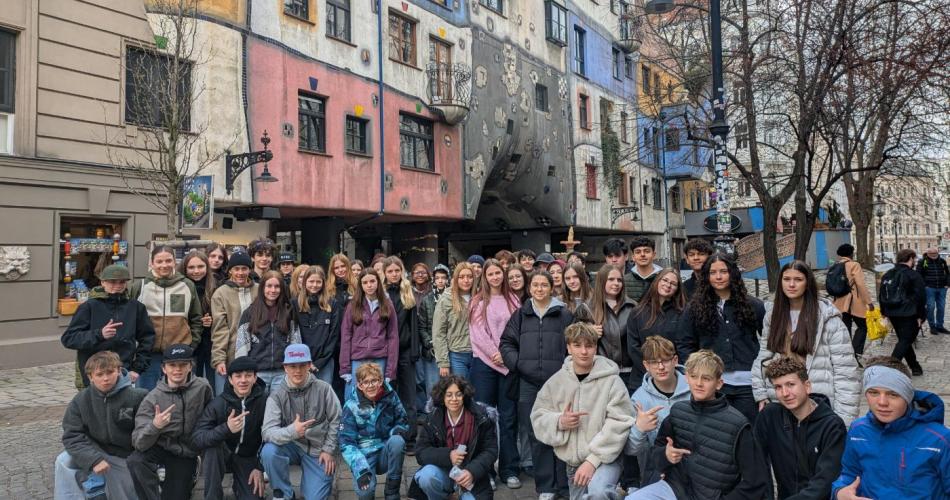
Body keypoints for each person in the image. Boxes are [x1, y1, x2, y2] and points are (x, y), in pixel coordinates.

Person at [627, 350, 766, 500]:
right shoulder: (677, 412)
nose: (698, 383)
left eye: (706, 378)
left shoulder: (738, 424)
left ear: (719, 383)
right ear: (686, 378)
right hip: (675, 489)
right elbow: (657, 453)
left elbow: (755, 482)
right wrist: (665, 455)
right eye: (693, 377)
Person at [531, 323, 635, 500]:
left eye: (589, 345)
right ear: (568, 348)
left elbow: (620, 422)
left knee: (598, 492)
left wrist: (592, 461)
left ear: (596, 347)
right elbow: (538, 415)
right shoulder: (556, 381)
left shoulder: (612, 381)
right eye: (577, 345)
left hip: (605, 459)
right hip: (572, 463)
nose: (584, 351)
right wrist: (559, 421)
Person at [752, 260, 860, 424]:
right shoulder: (773, 316)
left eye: (798, 279)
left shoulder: (828, 319)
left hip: (817, 402)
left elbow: (845, 372)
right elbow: (764, 357)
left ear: (807, 283)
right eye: (787, 279)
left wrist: (844, 420)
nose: (792, 284)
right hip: (781, 400)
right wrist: (761, 393)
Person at [831, 356, 950, 500]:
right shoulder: (858, 430)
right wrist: (839, 492)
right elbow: (848, 474)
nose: (882, 402)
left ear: (907, 396)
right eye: (874, 392)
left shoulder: (940, 440)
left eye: (893, 394)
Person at [500, 270, 575, 499]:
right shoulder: (521, 314)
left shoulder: (564, 314)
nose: (539, 289)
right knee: (536, 432)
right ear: (530, 288)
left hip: (559, 383)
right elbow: (506, 343)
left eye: (544, 284)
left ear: (551, 287)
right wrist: (519, 364)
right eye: (535, 285)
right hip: (528, 383)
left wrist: (567, 368)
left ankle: (563, 485)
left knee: (562, 430)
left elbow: (574, 343)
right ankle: (545, 487)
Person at [679, 254, 765, 425]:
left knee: (748, 434)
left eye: (723, 271)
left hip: (748, 386)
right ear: (706, 276)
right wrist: (698, 374)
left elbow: (770, 341)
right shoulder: (694, 308)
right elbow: (684, 344)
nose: (718, 277)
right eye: (713, 272)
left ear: (732, 273)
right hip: (713, 385)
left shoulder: (753, 305)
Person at [55, 351, 147, 500]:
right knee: (63, 461)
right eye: (99, 375)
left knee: (126, 494)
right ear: (90, 377)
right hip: (95, 449)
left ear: (118, 370)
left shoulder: (138, 396)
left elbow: (144, 434)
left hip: (124, 455)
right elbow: (72, 435)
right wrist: (93, 459)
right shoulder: (81, 400)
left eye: (110, 372)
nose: (105, 378)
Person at [128, 344, 213, 500]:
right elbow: (138, 442)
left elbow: (210, 417)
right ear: (163, 368)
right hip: (161, 446)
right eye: (172, 365)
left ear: (191, 366)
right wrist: (155, 426)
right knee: (135, 461)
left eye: (182, 365)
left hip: (186, 451)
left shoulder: (203, 387)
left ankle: (190, 473)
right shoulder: (152, 398)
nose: (177, 369)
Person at [754, 357, 846, 500]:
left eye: (790, 384)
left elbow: (825, 481)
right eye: (778, 387)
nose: (785, 393)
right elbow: (757, 462)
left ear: (807, 386)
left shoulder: (832, 425)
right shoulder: (770, 416)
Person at [261, 344, 341, 500]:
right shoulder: (277, 396)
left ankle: (314, 482)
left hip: (318, 450)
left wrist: (329, 450)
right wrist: (292, 431)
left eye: (302, 365)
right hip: (290, 444)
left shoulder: (324, 389)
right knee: (269, 452)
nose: (297, 370)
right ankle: (283, 493)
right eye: (292, 366)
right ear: (285, 367)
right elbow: (267, 432)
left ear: (309, 365)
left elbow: (337, 420)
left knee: (315, 497)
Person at [469, 258, 522, 489]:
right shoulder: (478, 301)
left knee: (509, 418)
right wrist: (496, 354)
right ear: (485, 277)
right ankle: (486, 470)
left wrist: (507, 356)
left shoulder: (514, 299)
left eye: (498, 273)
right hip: (485, 365)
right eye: (490, 274)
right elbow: (478, 334)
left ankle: (509, 469)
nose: (495, 277)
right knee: (485, 419)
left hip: (508, 366)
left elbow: (520, 330)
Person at [62, 264, 155, 388]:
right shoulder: (89, 307)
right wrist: (99, 334)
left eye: (122, 282)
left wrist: (137, 368)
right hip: (95, 373)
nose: (117, 286)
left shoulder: (135, 307)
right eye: (112, 282)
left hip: (122, 372)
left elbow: (147, 338)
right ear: (103, 283)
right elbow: (69, 339)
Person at [408, 375, 499, 500]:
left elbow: (491, 450)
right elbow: (421, 451)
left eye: (458, 394)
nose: (454, 399)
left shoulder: (481, 417)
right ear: (442, 397)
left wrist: (472, 472)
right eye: (449, 395)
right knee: (426, 475)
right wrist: (448, 455)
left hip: (471, 479)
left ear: (464, 395)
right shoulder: (433, 417)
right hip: (444, 472)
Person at [191, 356, 267, 500]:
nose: (243, 380)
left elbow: (270, 437)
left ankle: (239, 486)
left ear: (255, 378)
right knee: (212, 447)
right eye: (238, 376)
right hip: (223, 455)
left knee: (254, 497)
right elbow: (197, 438)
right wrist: (226, 428)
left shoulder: (265, 401)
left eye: (248, 375)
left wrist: (260, 467)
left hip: (248, 457)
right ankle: (213, 496)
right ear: (231, 380)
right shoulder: (218, 404)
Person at [131, 246, 204, 390]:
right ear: (151, 263)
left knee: (180, 397)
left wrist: (191, 344)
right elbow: (131, 319)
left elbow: (196, 318)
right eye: (159, 261)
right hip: (148, 355)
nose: (164, 265)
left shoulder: (187, 285)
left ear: (174, 262)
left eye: (168, 261)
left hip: (179, 354)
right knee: (147, 396)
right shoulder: (140, 286)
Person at [625, 336, 690, 487]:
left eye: (665, 360)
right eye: (654, 362)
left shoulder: (693, 388)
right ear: (646, 365)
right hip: (656, 468)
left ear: (675, 360)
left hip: (692, 462)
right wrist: (639, 428)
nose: (661, 367)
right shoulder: (639, 399)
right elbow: (631, 450)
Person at [340, 362, 409, 500]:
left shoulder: (391, 396)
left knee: (397, 441)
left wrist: (397, 432)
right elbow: (346, 442)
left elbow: (403, 420)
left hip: (386, 448)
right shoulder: (351, 406)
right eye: (366, 382)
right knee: (365, 492)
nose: (370, 385)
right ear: (359, 385)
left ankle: (392, 491)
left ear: (381, 381)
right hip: (363, 455)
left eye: (374, 381)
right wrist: (360, 468)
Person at [235, 270, 302, 390]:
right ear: (262, 288)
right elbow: (242, 346)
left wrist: (294, 368)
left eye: (277, 286)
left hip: (282, 372)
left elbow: (295, 342)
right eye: (269, 286)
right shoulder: (250, 312)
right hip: (257, 373)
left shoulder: (289, 312)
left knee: (279, 407)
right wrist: (243, 372)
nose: (273, 290)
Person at [340, 268, 399, 395]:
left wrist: (390, 371)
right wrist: (345, 368)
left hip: (380, 358)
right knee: (354, 398)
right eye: (365, 282)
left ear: (378, 282)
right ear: (360, 285)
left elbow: (393, 337)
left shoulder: (387, 304)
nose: (369, 285)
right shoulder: (353, 305)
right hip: (358, 358)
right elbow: (346, 336)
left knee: (377, 397)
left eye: (372, 281)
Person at [626, 269, 686, 392]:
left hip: (671, 379)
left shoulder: (682, 313)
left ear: (677, 289)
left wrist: (668, 370)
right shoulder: (637, 312)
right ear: (657, 281)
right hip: (641, 378)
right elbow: (633, 347)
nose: (668, 285)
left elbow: (683, 346)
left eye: (673, 284)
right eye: (665, 280)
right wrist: (652, 369)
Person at [381, 255, 420, 447]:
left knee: (408, 397)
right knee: (387, 395)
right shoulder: (380, 294)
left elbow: (414, 325)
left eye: (397, 270)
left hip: (405, 352)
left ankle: (410, 436)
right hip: (385, 352)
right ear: (385, 274)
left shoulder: (408, 293)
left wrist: (414, 351)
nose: (394, 274)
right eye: (390, 271)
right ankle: (389, 435)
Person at [210, 252, 258, 394]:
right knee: (225, 398)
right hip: (230, 355)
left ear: (250, 269)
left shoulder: (259, 290)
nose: (240, 273)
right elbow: (219, 329)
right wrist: (219, 359)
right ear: (230, 270)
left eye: (244, 268)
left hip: (256, 353)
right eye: (236, 269)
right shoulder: (221, 293)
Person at [878, 249, 927, 376]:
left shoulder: (888, 273)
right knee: (905, 340)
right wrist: (921, 316)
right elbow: (920, 297)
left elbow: (882, 294)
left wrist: (884, 311)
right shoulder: (913, 275)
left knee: (904, 340)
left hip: (892, 311)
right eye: (914, 259)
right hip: (909, 313)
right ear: (910, 258)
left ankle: (915, 367)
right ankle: (889, 369)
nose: (915, 261)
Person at [294, 266, 339, 384]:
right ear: (304, 282)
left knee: (323, 398)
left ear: (323, 283)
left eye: (318, 281)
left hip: (325, 363)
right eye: (311, 281)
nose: (314, 285)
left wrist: (319, 362)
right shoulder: (294, 303)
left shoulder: (332, 304)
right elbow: (292, 335)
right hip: (300, 362)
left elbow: (333, 336)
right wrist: (303, 361)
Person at [417, 263, 451, 410]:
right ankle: (433, 417)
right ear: (433, 280)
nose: (441, 281)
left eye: (443, 278)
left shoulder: (453, 298)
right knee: (433, 387)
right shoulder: (427, 300)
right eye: (438, 278)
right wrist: (429, 343)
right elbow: (422, 326)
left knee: (451, 385)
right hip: (431, 351)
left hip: (451, 348)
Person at [433, 262, 475, 379]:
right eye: (461, 277)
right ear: (456, 279)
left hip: (478, 355)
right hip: (457, 355)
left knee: (478, 394)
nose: (466, 280)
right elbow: (438, 332)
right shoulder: (446, 299)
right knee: (460, 392)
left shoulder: (479, 297)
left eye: (469, 277)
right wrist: (443, 362)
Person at [832, 243, 875, 358]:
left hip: (839, 301)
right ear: (851, 253)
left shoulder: (835, 265)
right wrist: (869, 302)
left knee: (846, 328)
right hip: (854, 301)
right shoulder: (854, 265)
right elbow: (860, 284)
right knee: (862, 326)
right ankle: (855, 351)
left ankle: (846, 353)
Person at [180, 251, 217, 381]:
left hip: (210, 344)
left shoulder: (215, 287)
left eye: (200, 266)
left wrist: (212, 319)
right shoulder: (179, 287)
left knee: (212, 386)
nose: (196, 271)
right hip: (189, 344)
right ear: (184, 269)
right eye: (191, 267)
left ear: (207, 267)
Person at [916, 247, 949, 334]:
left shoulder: (942, 261)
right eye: (932, 254)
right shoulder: (922, 262)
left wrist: (947, 284)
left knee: (941, 307)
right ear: (927, 254)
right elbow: (918, 275)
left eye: (936, 254)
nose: (934, 256)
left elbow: (948, 273)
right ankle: (932, 326)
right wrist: (925, 286)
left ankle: (940, 326)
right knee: (930, 307)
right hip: (929, 288)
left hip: (942, 288)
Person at [625, 237, 663, 302]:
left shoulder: (664, 278)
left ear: (654, 255)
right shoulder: (624, 281)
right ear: (633, 257)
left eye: (647, 251)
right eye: (638, 252)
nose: (642, 254)